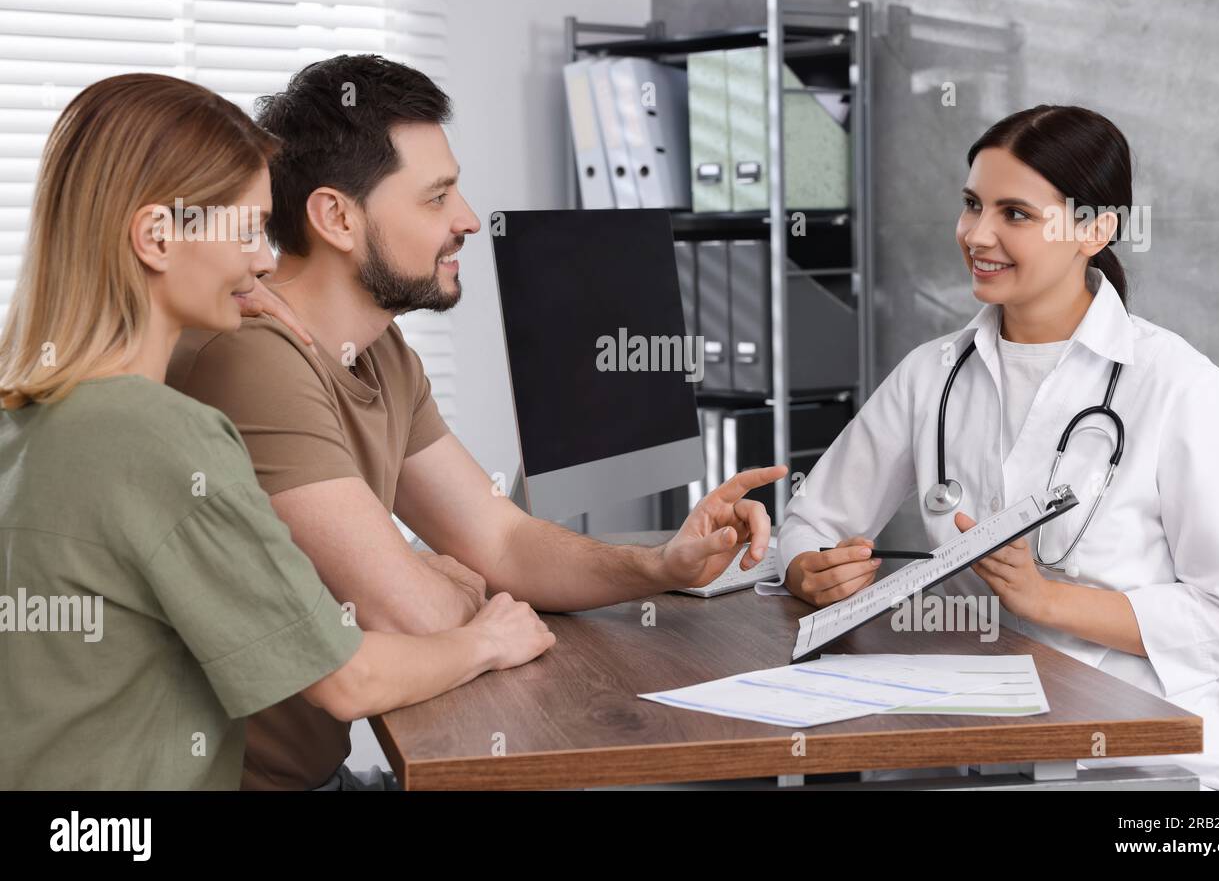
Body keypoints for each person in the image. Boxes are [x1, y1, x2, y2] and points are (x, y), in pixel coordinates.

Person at [165, 54, 786, 790]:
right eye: (436, 198)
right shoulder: (257, 362)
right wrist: (439, 580)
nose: (467, 219)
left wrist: (658, 566)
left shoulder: (381, 351)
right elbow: (417, 616)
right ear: (336, 216)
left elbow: (499, 539)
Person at [0, 74, 555, 790]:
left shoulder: (33, 415)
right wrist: (487, 638)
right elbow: (347, 678)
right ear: (155, 237)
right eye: (247, 232)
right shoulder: (165, 437)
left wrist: (221, 291)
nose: (267, 260)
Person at [778, 105, 1219, 791]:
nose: (977, 234)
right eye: (971, 205)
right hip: (969, 739)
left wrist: (1046, 600)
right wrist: (808, 568)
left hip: (1147, 763)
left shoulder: (1178, 385)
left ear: (1094, 230)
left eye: (1014, 213)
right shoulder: (932, 373)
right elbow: (808, 522)